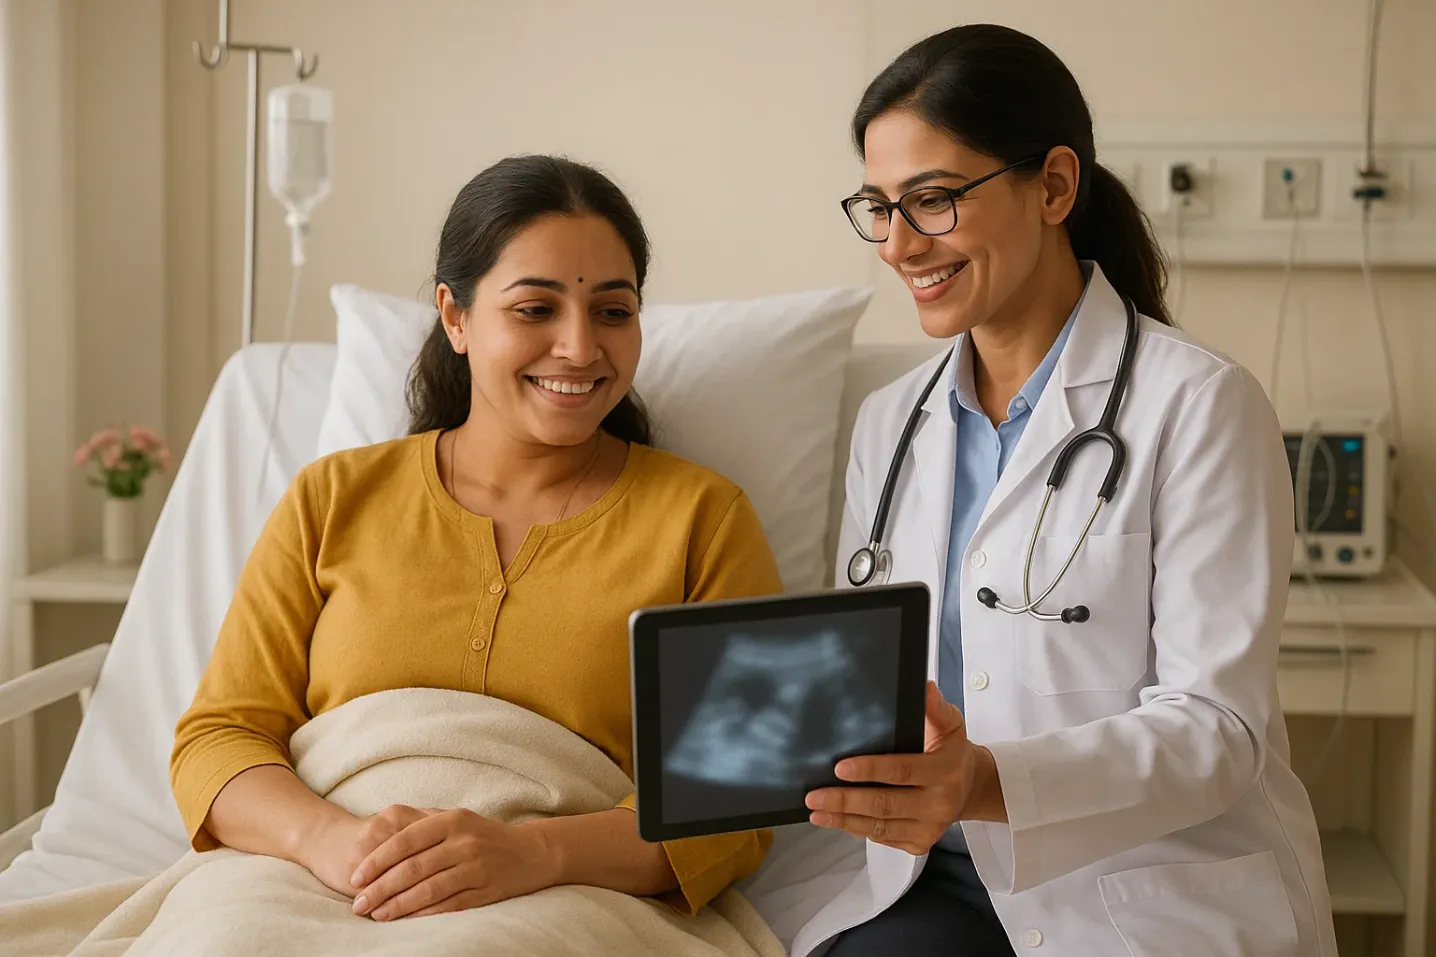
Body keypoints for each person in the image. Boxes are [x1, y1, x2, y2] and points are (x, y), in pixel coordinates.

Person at [794, 24, 1338, 957]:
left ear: (1052, 185)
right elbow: (875, 680)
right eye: (878, 207)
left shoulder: (1201, 405)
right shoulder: (892, 424)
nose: (897, 244)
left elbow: (1218, 728)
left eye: (932, 201)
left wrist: (985, 780)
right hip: (931, 873)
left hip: (1140, 890)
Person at [170, 154, 782, 923]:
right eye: (536, 309)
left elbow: (735, 800)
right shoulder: (331, 498)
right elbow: (219, 737)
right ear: (455, 317)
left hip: (565, 897)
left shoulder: (703, 519)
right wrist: (335, 842)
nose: (579, 347)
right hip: (308, 877)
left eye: (613, 312)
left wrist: (534, 853)